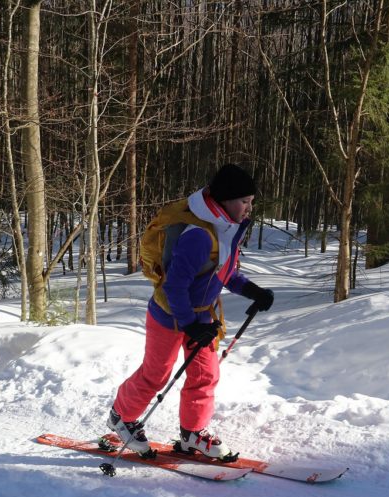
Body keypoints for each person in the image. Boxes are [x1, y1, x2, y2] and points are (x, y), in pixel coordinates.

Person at [106, 163, 274, 460]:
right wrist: (188, 324)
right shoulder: (199, 235)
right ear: (224, 200)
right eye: (244, 202)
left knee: (205, 374)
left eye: (251, 202)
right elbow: (175, 286)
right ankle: (121, 417)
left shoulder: (225, 228)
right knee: (155, 375)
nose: (249, 208)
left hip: (202, 316)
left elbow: (225, 273)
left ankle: (192, 433)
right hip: (169, 315)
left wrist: (253, 291)